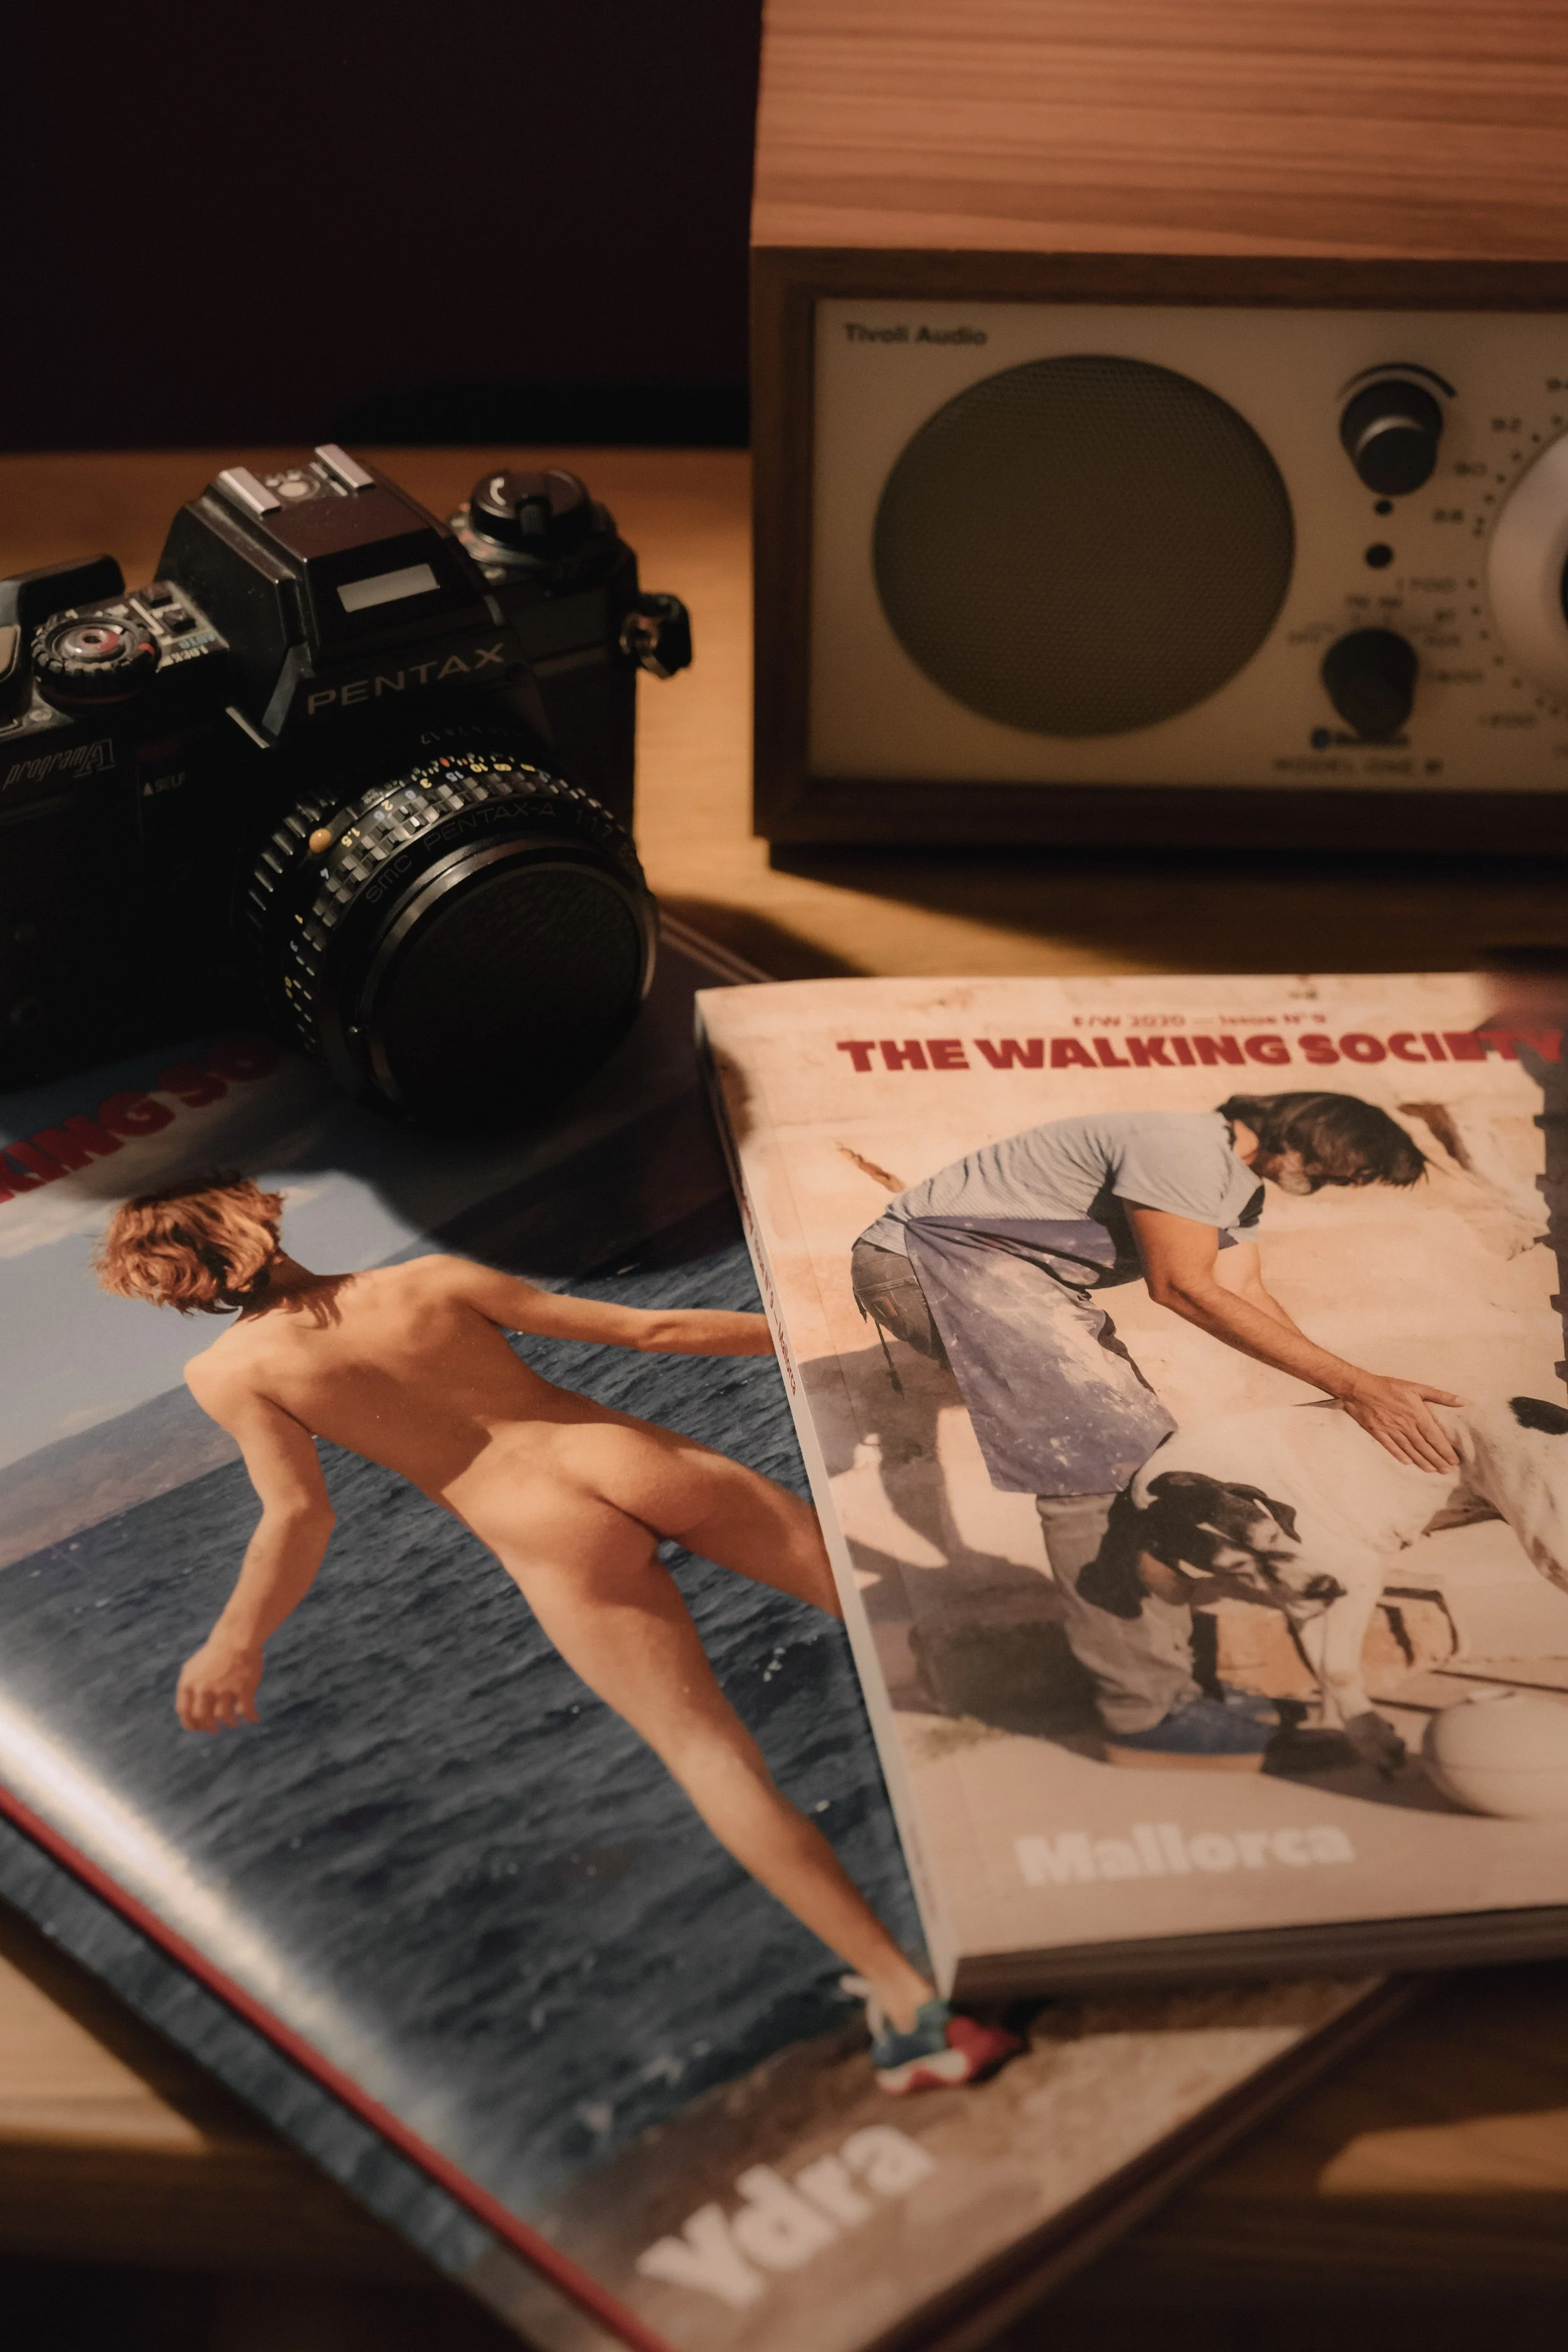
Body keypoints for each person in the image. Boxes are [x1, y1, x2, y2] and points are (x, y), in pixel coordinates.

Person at [95, 1174, 1019, 2096]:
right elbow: (651, 1333)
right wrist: (849, 1331)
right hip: (636, 1460)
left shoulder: (227, 1374)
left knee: (709, 1755)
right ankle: (1055, 1842)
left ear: (167, 1278)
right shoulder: (426, 1280)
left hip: (542, 1533)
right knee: (899, 1621)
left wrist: (236, 1640)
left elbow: (298, 1517)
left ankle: (909, 2003)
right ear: (259, 1213)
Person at [850, 1091, 1459, 1768]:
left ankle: (1171, 1693)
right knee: (1097, 1468)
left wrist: (1353, 1390)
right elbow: (1182, 1287)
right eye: (1347, 1168)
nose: (1341, 1184)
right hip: (934, 1261)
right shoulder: (1184, 1147)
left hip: (1013, 1276)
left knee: (1148, 1469)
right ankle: (1145, 1716)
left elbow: (1246, 1294)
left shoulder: (1236, 1186)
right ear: (1310, 1136)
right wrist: (1354, 1387)